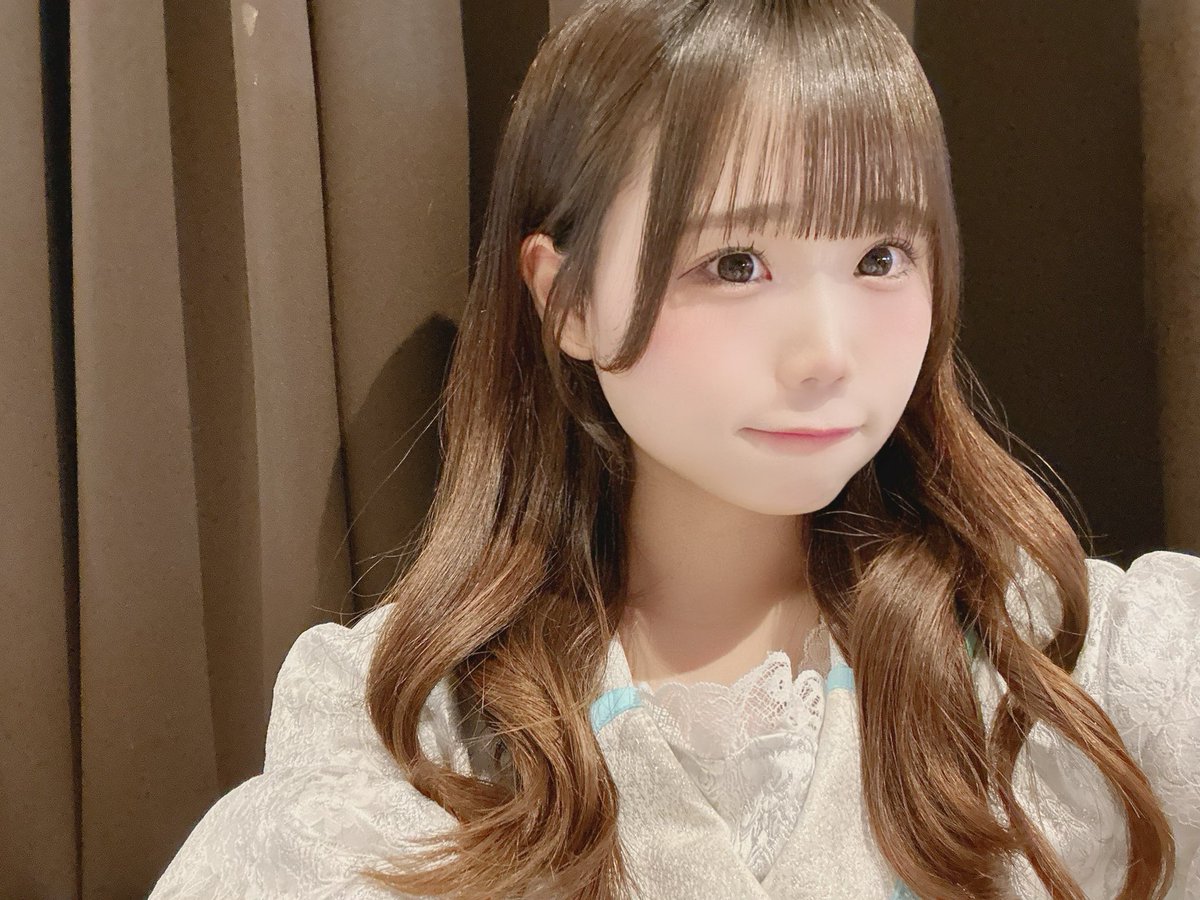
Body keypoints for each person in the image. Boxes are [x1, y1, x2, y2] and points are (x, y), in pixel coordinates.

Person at [150, 0, 1200, 897]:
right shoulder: (414, 725)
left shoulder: (1064, 662)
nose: (827, 354)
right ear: (567, 300)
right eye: (736, 263)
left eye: (881, 256)